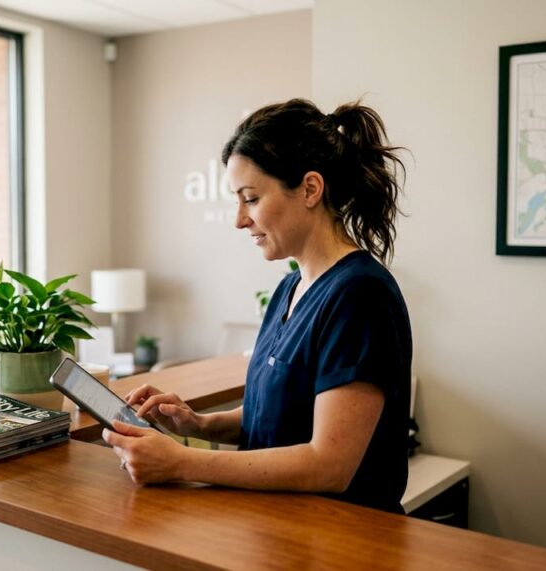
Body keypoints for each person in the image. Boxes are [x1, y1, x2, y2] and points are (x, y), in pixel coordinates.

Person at [102, 98, 412, 513]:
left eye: (250, 198)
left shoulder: (359, 295)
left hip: (343, 542)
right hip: (278, 529)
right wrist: (198, 423)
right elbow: (277, 415)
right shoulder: (289, 289)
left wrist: (182, 462)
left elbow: (329, 465)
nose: (239, 220)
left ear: (310, 189)